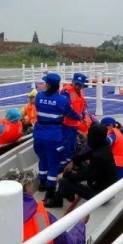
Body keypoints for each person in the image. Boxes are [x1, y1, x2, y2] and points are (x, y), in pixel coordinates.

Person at [34, 73, 82, 202]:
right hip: (53, 135)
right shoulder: (62, 100)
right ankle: (50, 191)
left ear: (48, 85)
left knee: (42, 158)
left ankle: (42, 184)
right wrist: (79, 117)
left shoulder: (39, 97)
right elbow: (70, 113)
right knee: (54, 162)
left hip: (38, 134)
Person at [47, 124, 118, 208]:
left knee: (64, 181)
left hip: (100, 196)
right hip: (106, 187)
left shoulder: (98, 158)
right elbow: (87, 155)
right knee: (81, 164)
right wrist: (73, 162)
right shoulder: (103, 147)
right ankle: (68, 193)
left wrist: (64, 174)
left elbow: (82, 176)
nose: (88, 138)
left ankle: (58, 200)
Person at [60, 73, 90, 167]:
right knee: (65, 145)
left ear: (82, 85)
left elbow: (82, 105)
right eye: (76, 84)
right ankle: (62, 166)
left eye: (79, 85)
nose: (77, 87)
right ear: (72, 82)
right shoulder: (66, 92)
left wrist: (83, 116)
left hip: (74, 125)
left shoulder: (80, 92)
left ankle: (70, 164)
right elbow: (66, 109)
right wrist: (79, 117)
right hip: (65, 125)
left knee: (72, 145)